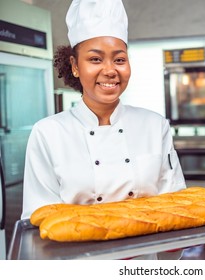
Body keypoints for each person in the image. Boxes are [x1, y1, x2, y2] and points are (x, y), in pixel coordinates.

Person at [21, 0, 186, 259]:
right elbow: (39, 219)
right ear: (75, 66)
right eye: (95, 59)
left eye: (119, 59)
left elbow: (177, 205)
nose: (110, 70)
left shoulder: (155, 125)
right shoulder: (48, 133)